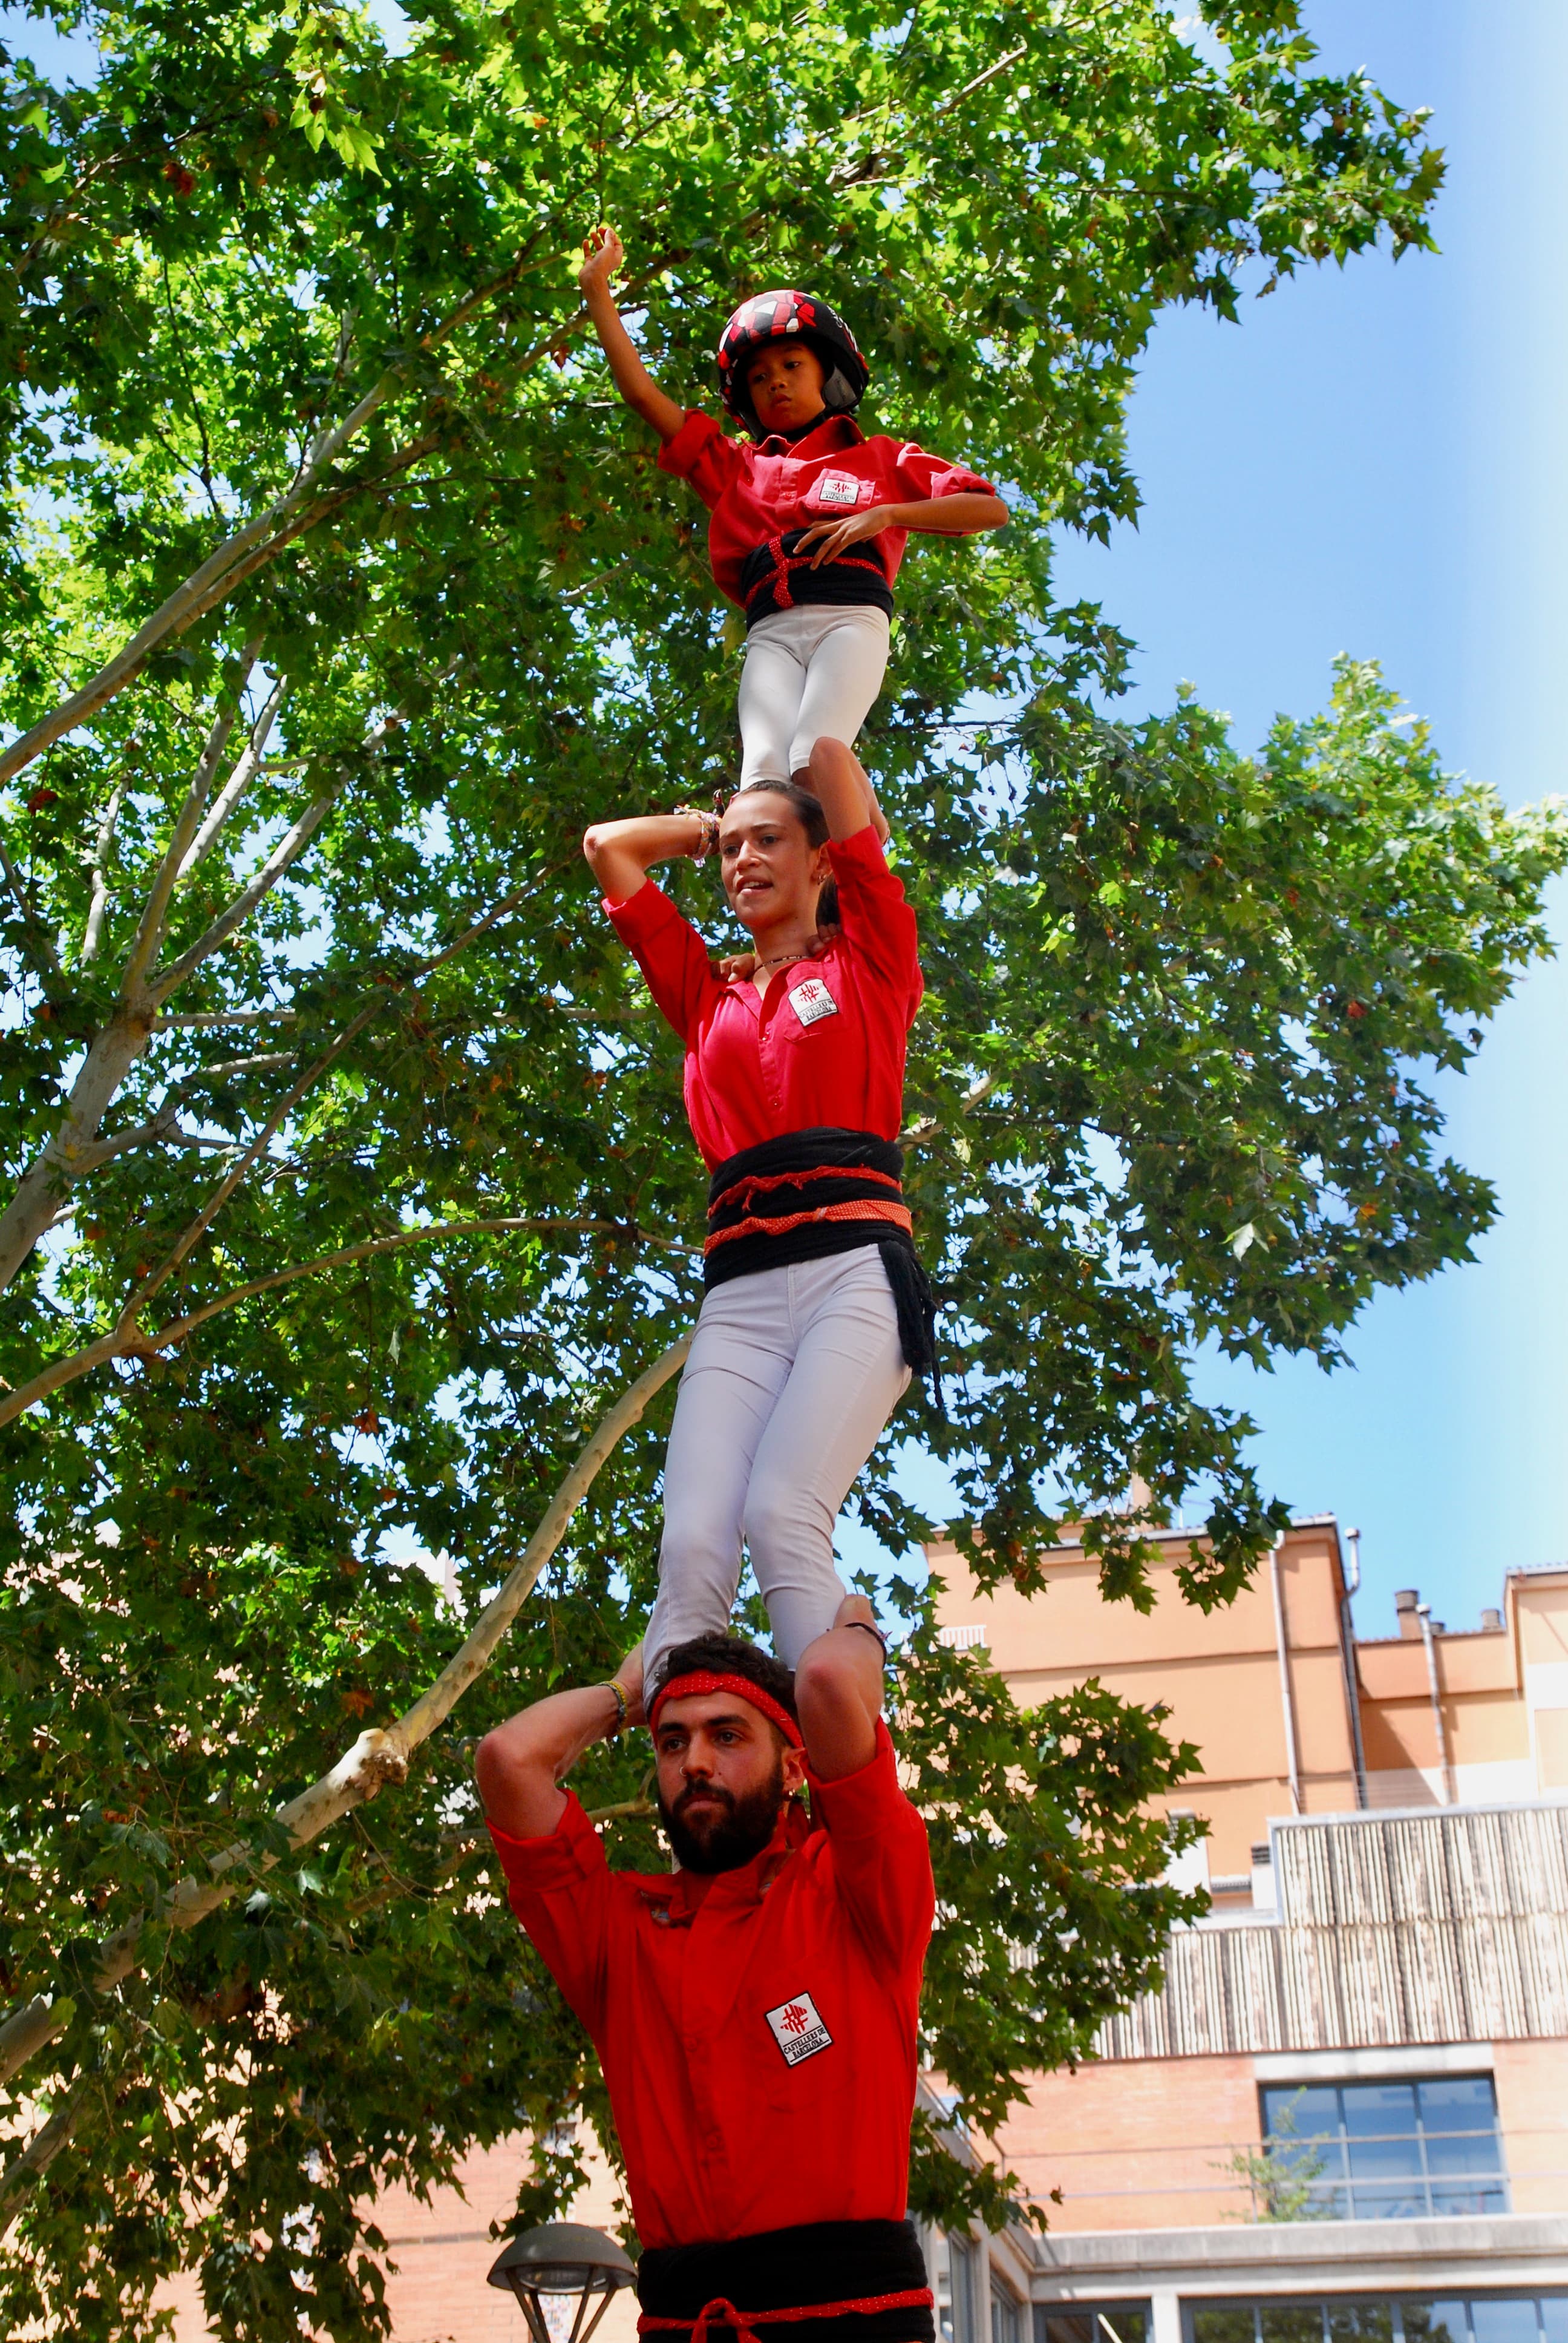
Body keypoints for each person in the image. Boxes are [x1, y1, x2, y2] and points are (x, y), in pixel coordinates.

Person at [474, 1614, 936, 2343]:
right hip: (681, 2323)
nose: (695, 1760)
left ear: (793, 1767)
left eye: (727, 1734)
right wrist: (626, 1691)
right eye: (672, 1740)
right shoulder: (617, 1930)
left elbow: (825, 1682)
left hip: (858, 2321)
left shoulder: (854, 1889)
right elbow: (509, 1759)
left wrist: (855, 1623)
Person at [583, 741, 935, 1695]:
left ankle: (847, 1769)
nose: (743, 859)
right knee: (693, 1540)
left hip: (851, 1271)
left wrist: (799, 756)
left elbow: (831, 758)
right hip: (737, 1293)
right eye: (731, 848)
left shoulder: (870, 957)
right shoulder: (707, 993)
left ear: (823, 861)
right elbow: (608, 847)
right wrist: (713, 828)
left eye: (768, 841)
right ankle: (693, 1769)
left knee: (782, 1510)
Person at [576, 226, 1009, 798]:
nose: (775, 380)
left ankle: (861, 863)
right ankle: (807, 867)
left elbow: (990, 509)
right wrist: (595, 288)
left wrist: (887, 515)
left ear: (826, 374)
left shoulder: (879, 456)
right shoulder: (736, 467)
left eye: (791, 365)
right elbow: (643, 398)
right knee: (761, 781)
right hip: (771, 629)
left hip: (848, 616)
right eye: (759, 377)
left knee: (812, 757)